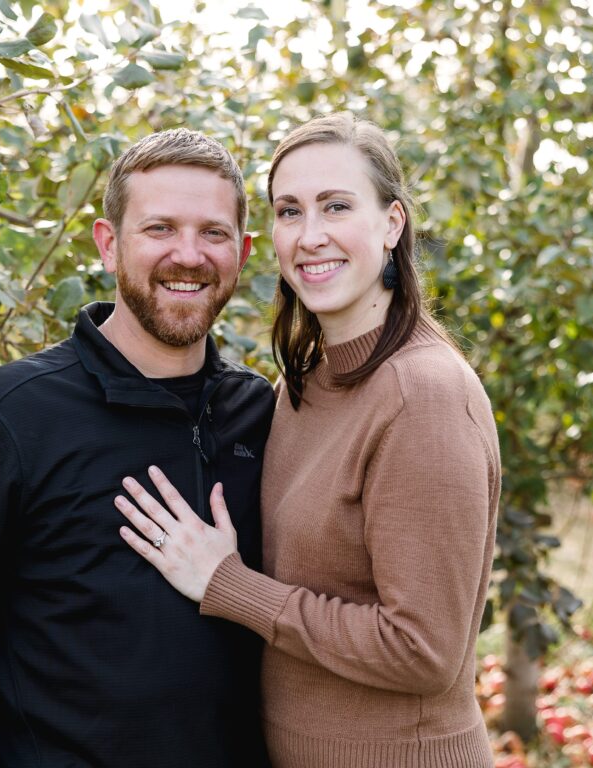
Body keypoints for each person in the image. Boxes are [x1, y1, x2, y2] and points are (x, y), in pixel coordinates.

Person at [115, 113, 501, 767]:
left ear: (392, 223)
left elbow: (423, 650)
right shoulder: (304, 383)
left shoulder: (423, 396)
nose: (310, 235)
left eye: (336, 206)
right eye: (289, 211)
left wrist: (226, 583)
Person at [0, 128, 274, 768]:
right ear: (108, 243)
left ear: (244, 251)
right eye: (160, 229)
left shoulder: (260, 413)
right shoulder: (8, 415)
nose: (189, 254)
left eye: (213, 233)